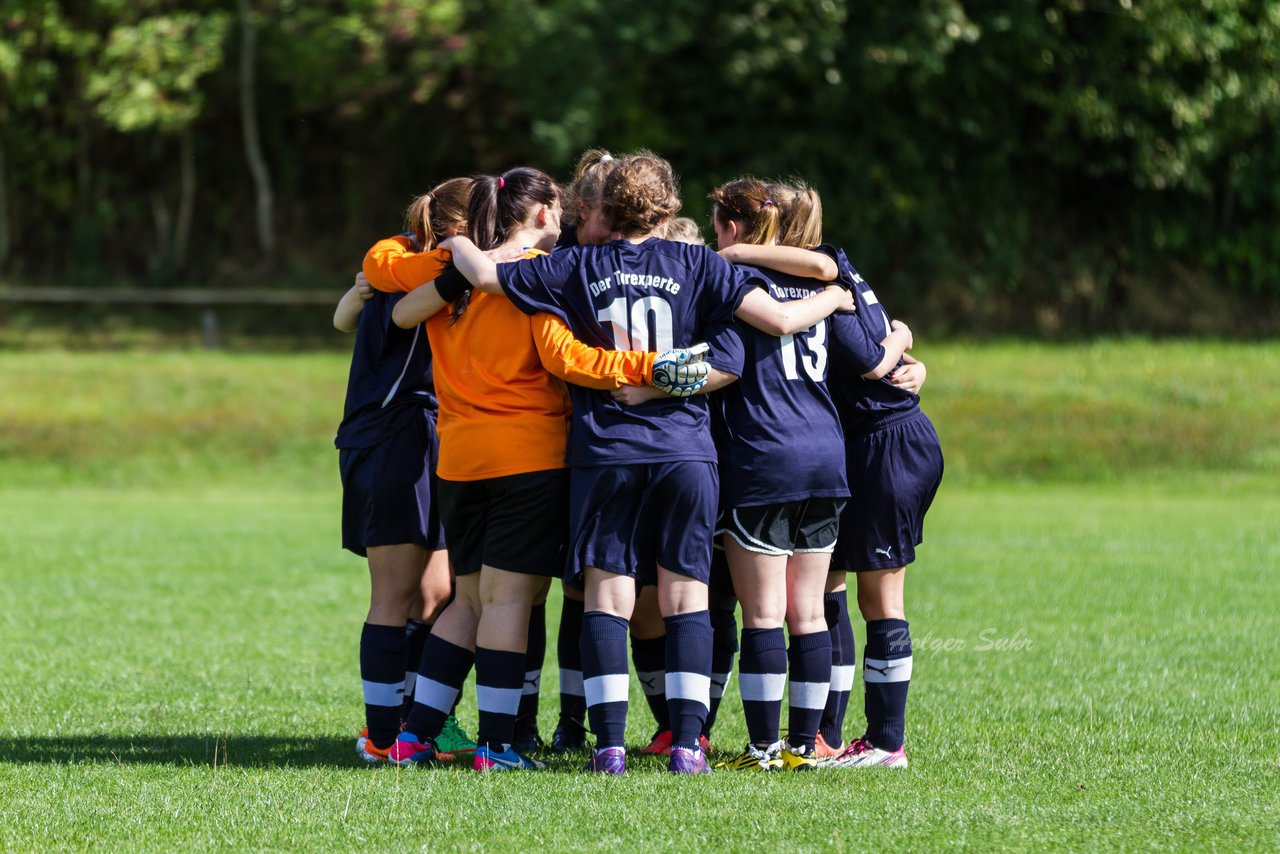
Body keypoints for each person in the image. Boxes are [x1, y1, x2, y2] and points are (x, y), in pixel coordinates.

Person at [443, 151, 855, 775]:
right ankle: (687, 745)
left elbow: (490, 281)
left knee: (606, 598)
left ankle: (608, 745)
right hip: (684, 452)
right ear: (667, 207)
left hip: (605, 452)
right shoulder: (695, 261)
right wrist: (664, 381)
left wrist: (458, 247)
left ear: (604, 207)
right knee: (686, 596)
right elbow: (739, 348)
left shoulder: (573, 264)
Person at [382, 166, 706, 771]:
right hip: (525, 459)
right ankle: (498, 746)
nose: (566, 222)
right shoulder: (533, 284)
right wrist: (649, 369)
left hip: (458, 459)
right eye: (559, 211)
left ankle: (414, 733)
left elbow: (400, 314)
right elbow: (565, 358)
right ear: (536, 217)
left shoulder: (451, 283)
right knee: (510, 601)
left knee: (469, 600)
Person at [717, 186, 943, 770]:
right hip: (845, 449)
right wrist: (904, 341)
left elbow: (869, 361)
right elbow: (881, 349)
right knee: (826, 594)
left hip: (875, 446)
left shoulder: (818, 280)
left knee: (869, 597)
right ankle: (821, 737)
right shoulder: (834, 277)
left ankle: (881, 742)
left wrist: (896, 347)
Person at [331, 180, 469, 764]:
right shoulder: (407, 262)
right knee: (393, 594)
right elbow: (359, 309)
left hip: (432, 436)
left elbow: (342, 318)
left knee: (438, 592)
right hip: (392, 437)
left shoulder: (411, 260)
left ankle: (422, 724)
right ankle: (382, 736)